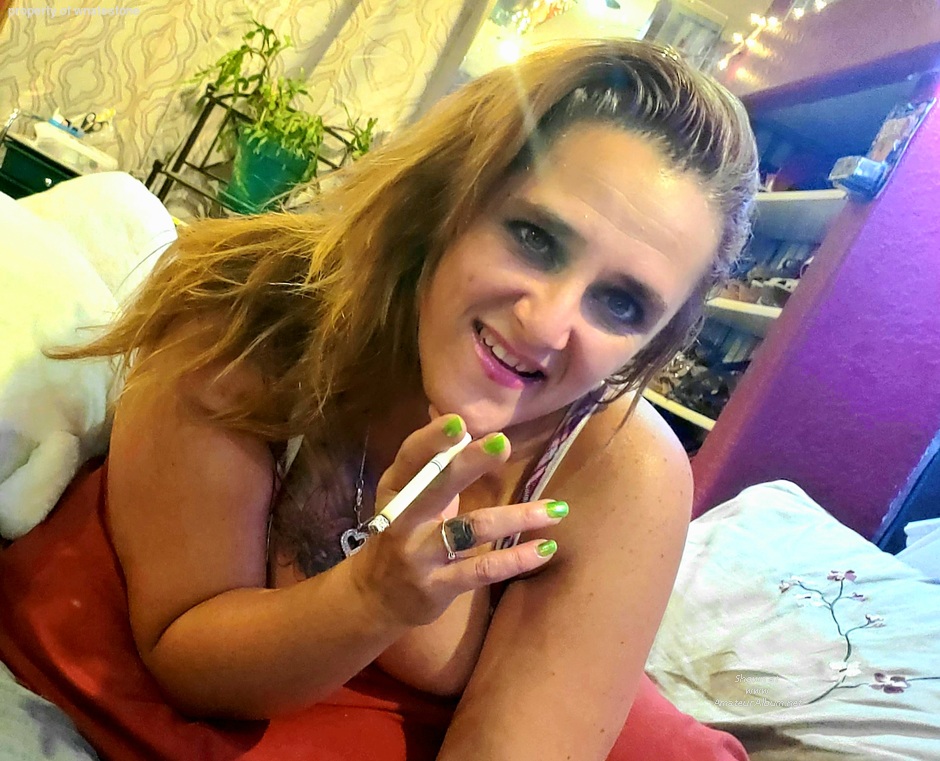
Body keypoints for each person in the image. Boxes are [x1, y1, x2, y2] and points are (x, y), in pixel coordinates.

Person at [0, 39, 757, 760]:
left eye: (621, 304)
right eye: (533, 236)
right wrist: (371, 597)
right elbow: (184, 653)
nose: (546, 324)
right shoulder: (245, 316)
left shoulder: (623, 473)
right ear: (448, 199)